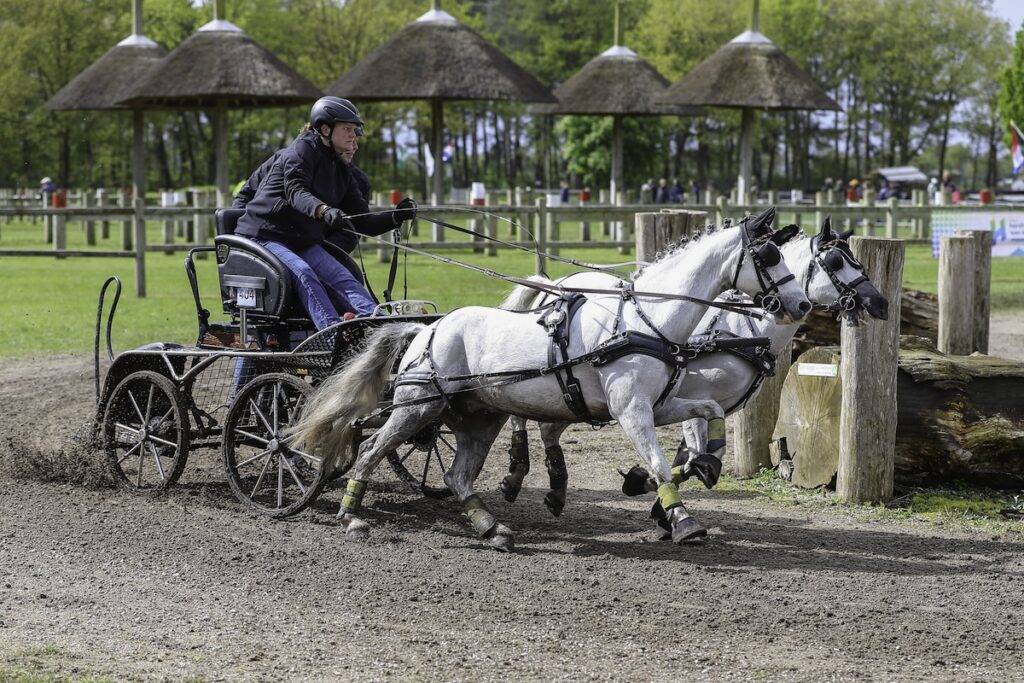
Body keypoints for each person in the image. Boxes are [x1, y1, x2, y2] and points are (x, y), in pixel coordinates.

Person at [233, 96, 415, 328]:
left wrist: (395, 217)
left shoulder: (342, 169)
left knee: (342, 277)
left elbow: (363, 222)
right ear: (326, 129)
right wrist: (323, 210)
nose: (354, 135)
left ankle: (381, 329)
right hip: (264, 235)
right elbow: (296, 191)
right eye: (347, 129)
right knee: (304, 273)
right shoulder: (300, 151)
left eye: (354, 130)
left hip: (300, 241)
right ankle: (331, 334)